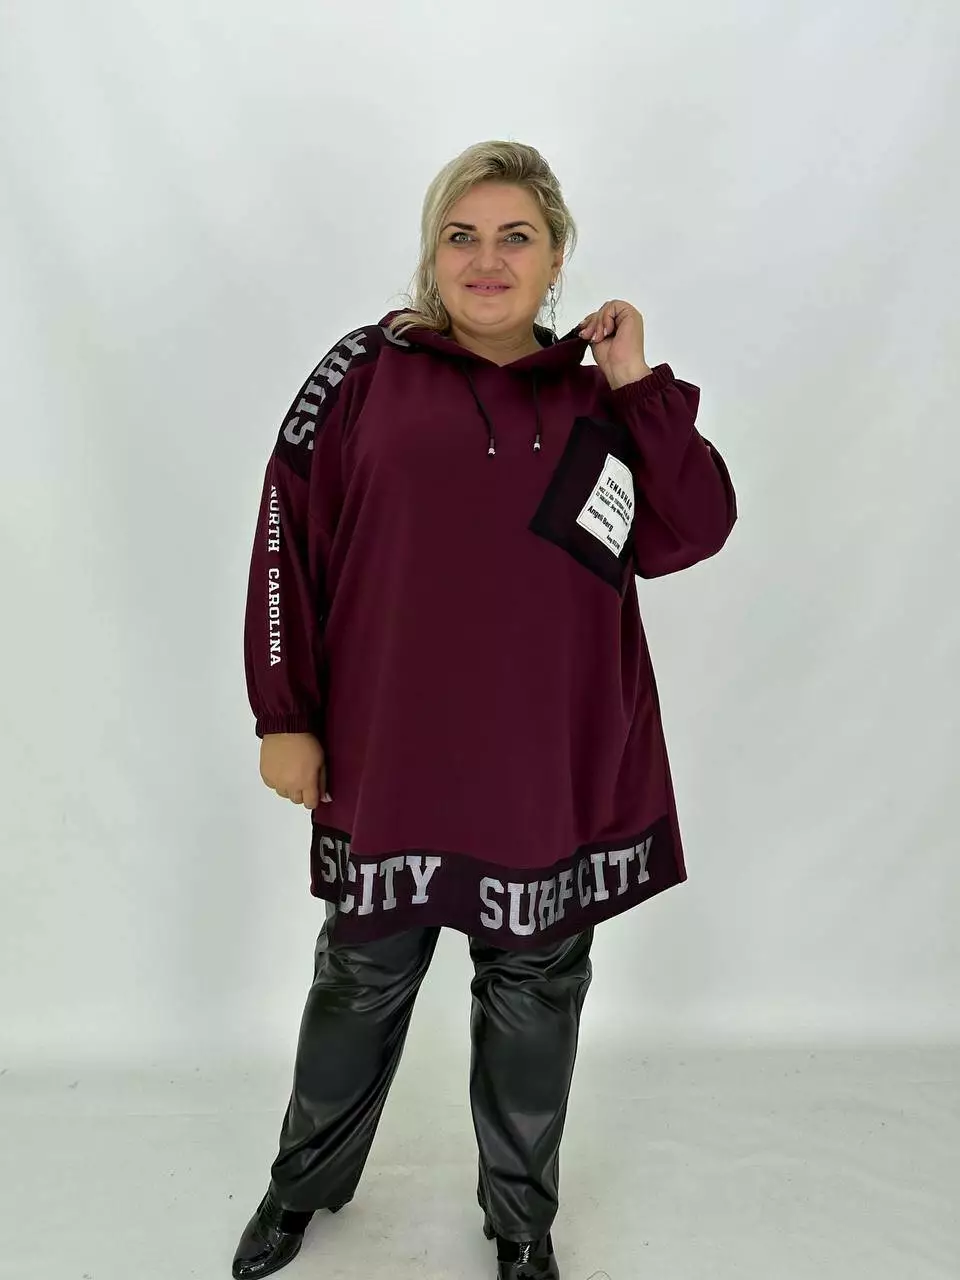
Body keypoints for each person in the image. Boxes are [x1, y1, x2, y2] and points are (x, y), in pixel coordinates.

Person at [232, 139, 737, 1280]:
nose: (487, 259)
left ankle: (519, 1222)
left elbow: (693, 529)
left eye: (517, 236)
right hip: (391, 754)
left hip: (548, 765)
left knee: (534, 993)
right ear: (432, 252)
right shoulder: (362, 372)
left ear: (556, 256)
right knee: (359, 982)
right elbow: (283, 539)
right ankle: (300, 1187)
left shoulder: (600, 399)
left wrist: (637, 381)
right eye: (461, 236)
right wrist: (284, 712)